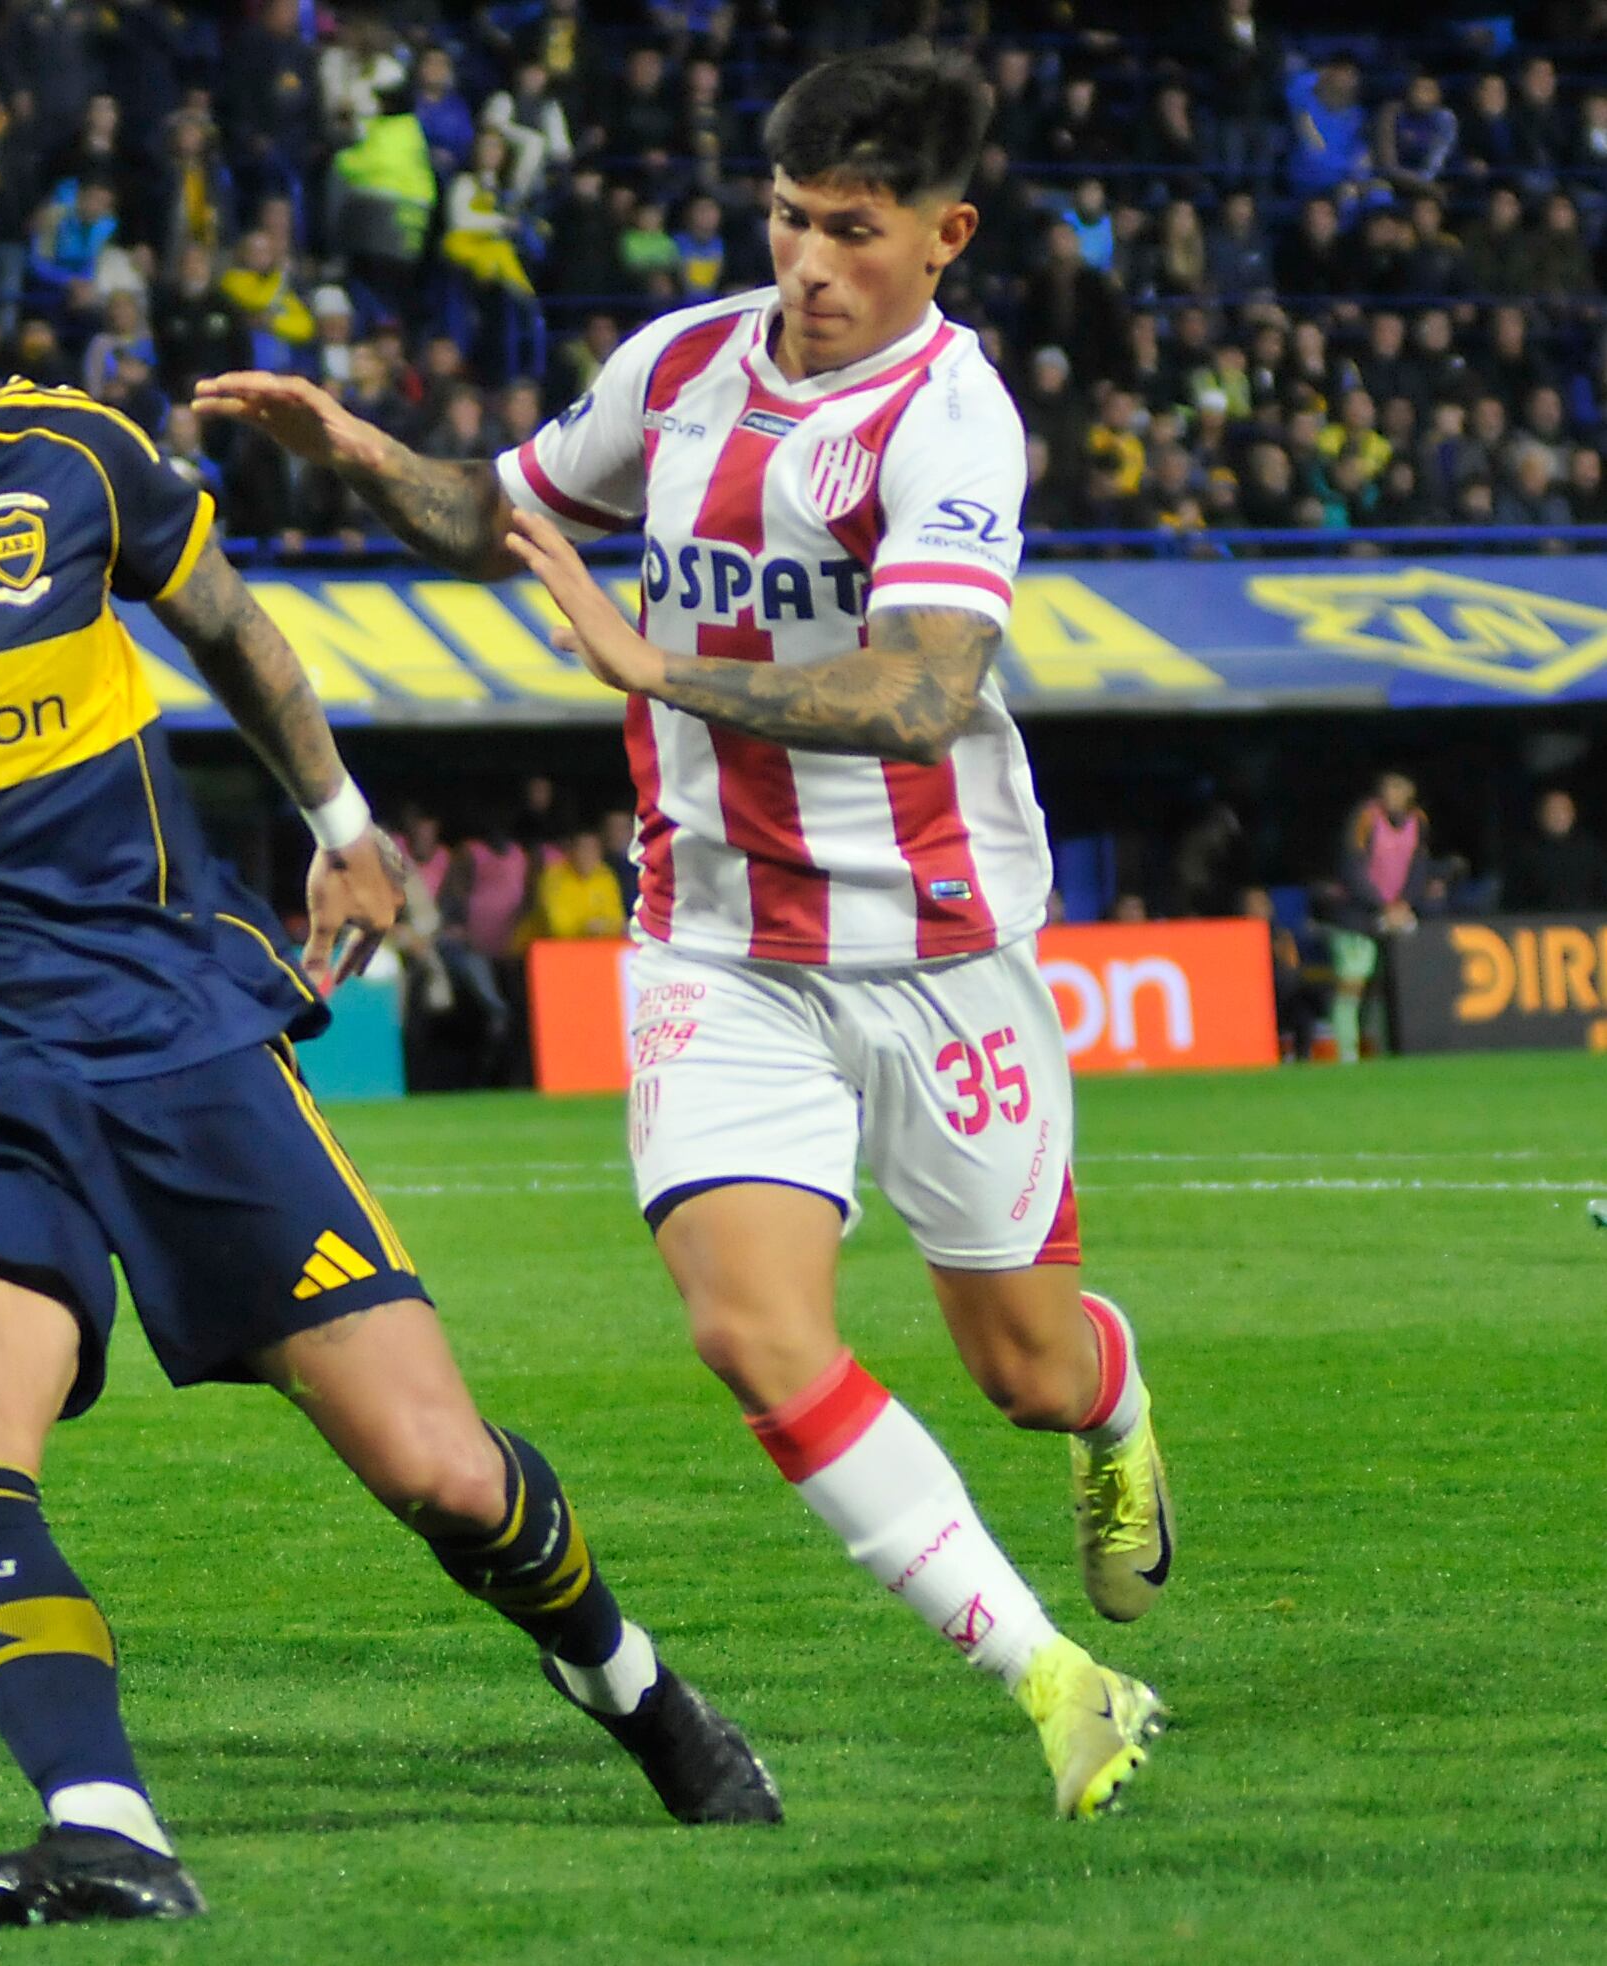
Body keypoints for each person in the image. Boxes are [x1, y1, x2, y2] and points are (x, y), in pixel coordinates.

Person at [0, 173, 776, 1933]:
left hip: (168, 1031)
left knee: (440, 1474)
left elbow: (229, 624)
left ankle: (632, 1687)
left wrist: (337, 819)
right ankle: (107, 1830)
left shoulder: (69, 467)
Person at [197, 44, 1168, 1822]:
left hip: (927, 941)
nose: (806, 264)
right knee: (748, 1333)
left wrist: (660, 670)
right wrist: (358, 455)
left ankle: (1111, 1417)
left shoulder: (950, 422)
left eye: (852, 232)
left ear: (942, 236)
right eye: (789, 219)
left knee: (1020, 1369)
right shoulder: (678, 365)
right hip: (708, 943)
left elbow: (923, 689)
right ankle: (1050, 1673)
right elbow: (505, 514)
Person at [1322, 771, 1434, 1062]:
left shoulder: (1418, 821)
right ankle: (1345, 1053)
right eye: (1387, 786)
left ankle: (1380, 1051)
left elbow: (1419, 866)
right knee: (1352, 984)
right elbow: (1351, 868)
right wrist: (1382, 904)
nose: (1391, 792)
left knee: (1386, 988)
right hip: (1356, 914)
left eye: (1398, 786)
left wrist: (1405, 903)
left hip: (1395, 914)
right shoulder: (1366, 818)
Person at [1506, 786, 1607, 912]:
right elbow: (1513, 901)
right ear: (1540, 815)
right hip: (1539, 926)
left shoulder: (1591, 852)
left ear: (1573, 814)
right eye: (1552, 811)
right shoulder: (1525, 855)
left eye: (1563, 810)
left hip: (1587, 926)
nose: (1558, 816)